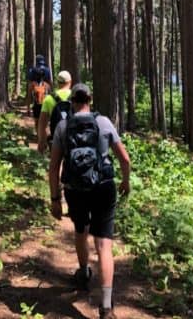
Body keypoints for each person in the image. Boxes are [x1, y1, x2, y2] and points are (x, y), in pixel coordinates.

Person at [48, 83, 131, 319]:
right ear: (90, 99)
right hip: (104, 187)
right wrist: (125, 181)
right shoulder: (103, 122)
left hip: (75, 190)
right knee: (104, 246)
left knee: (81, 231)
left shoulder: (63, 127)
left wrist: (56, 199)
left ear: (72, 101)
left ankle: (84, 273)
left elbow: (54, 167)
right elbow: (124, 159)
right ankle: (106, 307)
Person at [37, 70, 73, 153]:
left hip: (56, 139)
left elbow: (42, 124)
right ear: (70, 81)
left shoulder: (49, 99)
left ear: (58, 82)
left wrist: (41, 142)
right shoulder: (77, 97)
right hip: (73, 139)